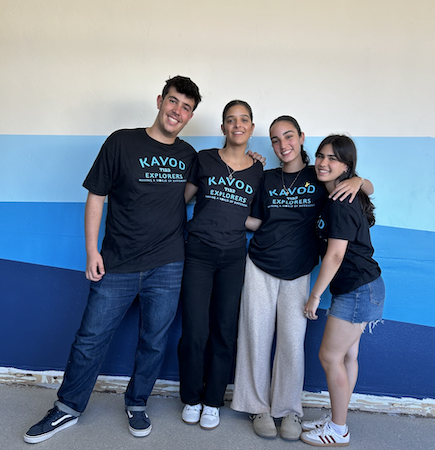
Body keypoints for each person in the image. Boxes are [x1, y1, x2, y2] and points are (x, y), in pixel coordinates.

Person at [24, 76, 202, 444]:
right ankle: (68, 407)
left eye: (186, 107)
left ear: (190, 116)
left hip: (168, 264)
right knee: (90, 338)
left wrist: (251, 158)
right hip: (117, 262)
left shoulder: (189, 156)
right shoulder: (122, 141)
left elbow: (189, 194)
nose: (177, 111)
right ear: (159, 101)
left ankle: (137, 403)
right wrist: (92, 251)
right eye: (173, 101)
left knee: (154, 340)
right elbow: (96, 197)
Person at [231, 116, 374, 441]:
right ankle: (258, 407)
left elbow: (362, 186)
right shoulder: (265, 177)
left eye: (289, 136)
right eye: (275, 139)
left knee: (292, 343)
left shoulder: (320, 174)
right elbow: (255, 220)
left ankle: (288, 410)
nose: (283, 144)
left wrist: (360, 179)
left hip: (299, 271)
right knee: (255, 336)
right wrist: (228, 212)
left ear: (301, 137)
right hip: (260, 264)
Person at [177, 100, 264, 430]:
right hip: (197, 253)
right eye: (230, 120)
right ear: (224, 127)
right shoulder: (205, 159)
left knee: (224, 332)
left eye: (243, 120)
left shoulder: (258, 170)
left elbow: (256, 217)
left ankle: (213, 400)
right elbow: (180, 201)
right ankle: (191, 397)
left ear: (251, 128)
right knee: (195, 330)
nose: (237, 125)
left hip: (232, 258)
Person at [300, 135, 385, 447]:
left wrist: (314, 295)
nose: (323, 163)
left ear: (346, 166)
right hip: (365, 286)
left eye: (333, 159)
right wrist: (360, 180)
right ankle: (339, 419)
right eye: (321, 156)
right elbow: (370, 187)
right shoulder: (342, 190)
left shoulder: (341, 200)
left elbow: (335, 255)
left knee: (329, 356)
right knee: (348, 356)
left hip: (358, 290)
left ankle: (338, 430)